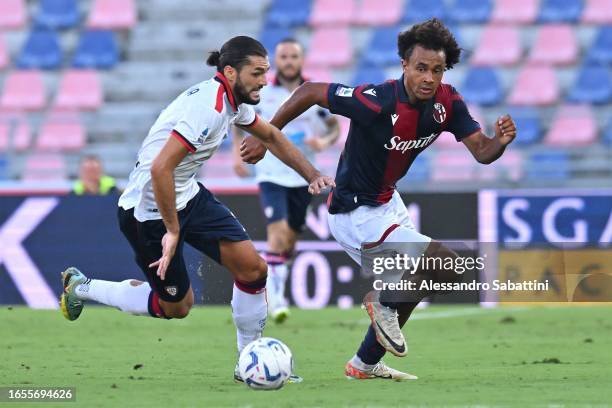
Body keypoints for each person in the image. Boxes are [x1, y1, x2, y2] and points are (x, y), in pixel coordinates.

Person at [239, 19, 517, 380]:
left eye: (437, 70)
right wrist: (265, 135)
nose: (429, 78)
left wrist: (499, 142)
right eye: (421, 69)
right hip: (354, 211)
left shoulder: (447, 104)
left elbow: (482, 151)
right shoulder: (377, 101)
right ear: (404, 65)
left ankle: (364, 363)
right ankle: (380, 303)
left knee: (421, 280)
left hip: (387, 203)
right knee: (448, 266)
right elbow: (308, 91)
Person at [59, 36, 334, 381]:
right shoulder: (208, 107)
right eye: (257, 72)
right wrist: (172, 231)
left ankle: (247, 361)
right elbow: (161, 169)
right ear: (231, 72)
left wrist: (313, 174)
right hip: (148, 211)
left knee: (253, 270)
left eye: (266, 72)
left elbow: (272, 136)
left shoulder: (232, 101)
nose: (265, 80)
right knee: (176, 306)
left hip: (187, 196)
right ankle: (81, 287)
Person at [232, 38, 340, 323]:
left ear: (302, 60)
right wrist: (235, 154)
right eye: (284, 56)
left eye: (294, 56)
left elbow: (334, 127)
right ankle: (274, 296)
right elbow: (239, 119)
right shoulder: (262, 91)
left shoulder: (313, 93)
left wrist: (324, 141)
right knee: (277, 235)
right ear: (275, 61)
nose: (289, 61)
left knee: (289, 242)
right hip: (271, 174)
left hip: (303, 176)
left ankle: (277, 280)